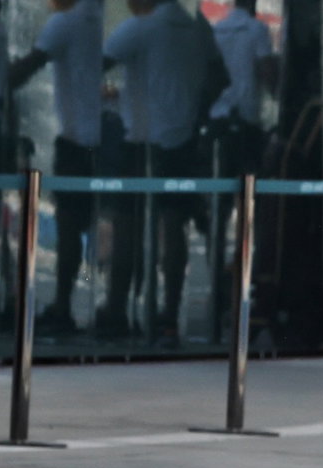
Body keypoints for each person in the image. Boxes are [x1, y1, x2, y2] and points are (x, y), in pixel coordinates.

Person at [103, 0, 227, 346]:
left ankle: (116, 308)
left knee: (127, 225)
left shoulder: (140, 29)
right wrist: (193, 109)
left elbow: (93, 66)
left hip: (141, 143)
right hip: (181, 141)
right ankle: (169, 313)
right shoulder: (198, 30)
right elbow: (220, 78)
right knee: (174, 226)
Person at [8, 0, 103, 335]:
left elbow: (25, 69)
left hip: (76, 141)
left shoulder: (66, 22)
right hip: (108, 138)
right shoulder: (104, 18)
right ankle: (104, 306)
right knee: (97, 226)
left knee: (68, 227)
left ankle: (63, 305)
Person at [210, 0, 276, 178]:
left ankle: (222, 204)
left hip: (219, 112)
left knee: (222, 174)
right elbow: (266, 70)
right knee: (249, 173)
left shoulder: (217, 30)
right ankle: (247, 204)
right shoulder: (257, 29)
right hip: (248, 112)